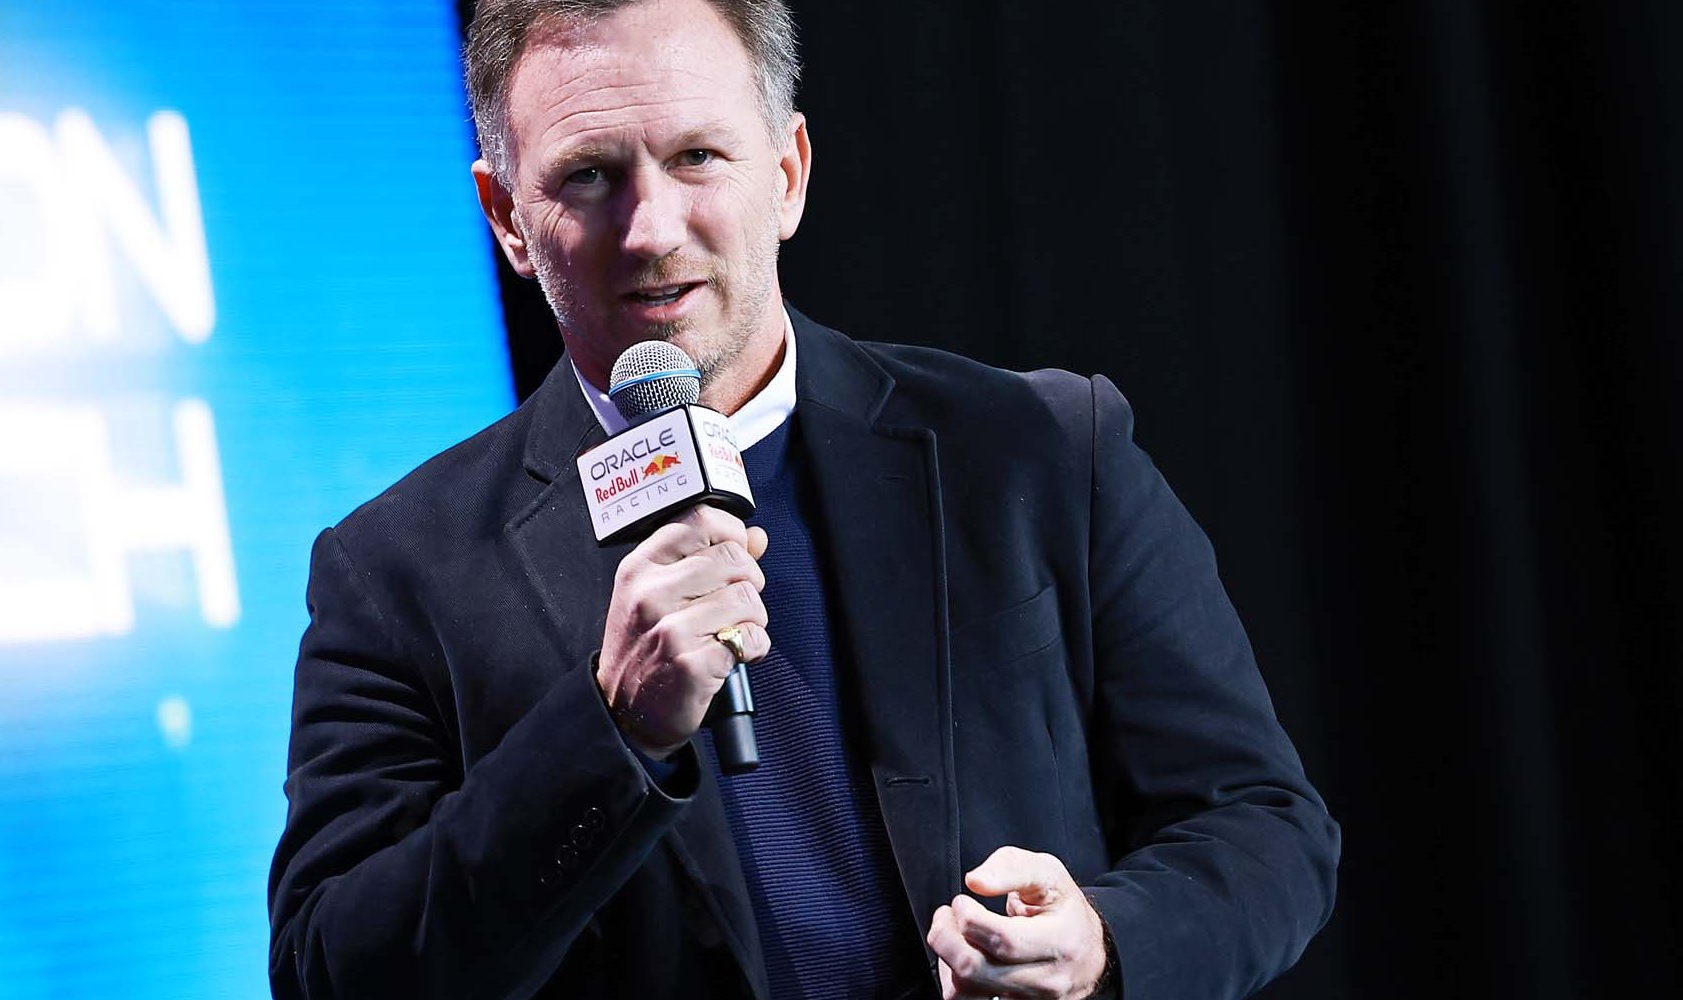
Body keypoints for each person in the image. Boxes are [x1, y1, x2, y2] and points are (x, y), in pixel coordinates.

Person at [267, 0, 1340, 997]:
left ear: (787, 173)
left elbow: (1264, 825)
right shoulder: (395, 571)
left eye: (697, 156)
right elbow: (332, 965)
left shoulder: (1043, 449)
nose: (650, 229)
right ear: (505, 216)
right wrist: (611, 733)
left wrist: (1105, 944)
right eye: (589, 175)